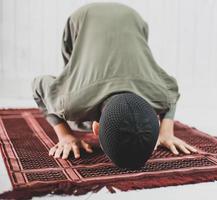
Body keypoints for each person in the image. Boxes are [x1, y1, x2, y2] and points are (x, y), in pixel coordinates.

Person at [31, 2, 197, 169]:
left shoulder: (158, 94)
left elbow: (172, 92)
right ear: (96, 128)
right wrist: (65, 134)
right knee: (71, 75)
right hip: (83, 18)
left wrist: (166, 131)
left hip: (134, 20)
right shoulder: (68, 103)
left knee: (76, 112)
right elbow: (37, 85)